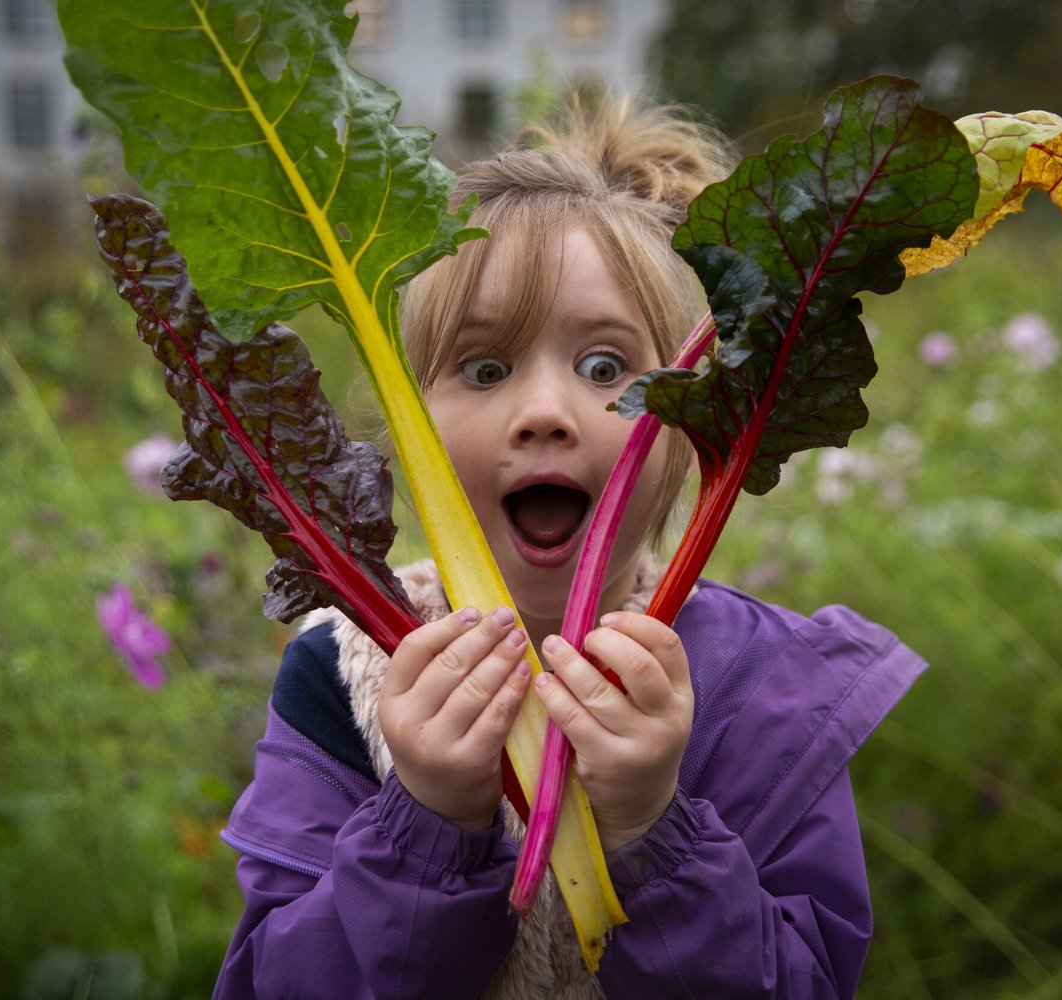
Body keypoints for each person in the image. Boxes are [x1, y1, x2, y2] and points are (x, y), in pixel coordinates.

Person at [213, 94, 927, 1000]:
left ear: (693, 430)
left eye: (604, 369)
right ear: (405, 428)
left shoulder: (768, 692)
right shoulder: (339, 679)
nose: (545, 413)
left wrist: (652, 827)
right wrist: (427, 823)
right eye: (485, 368)